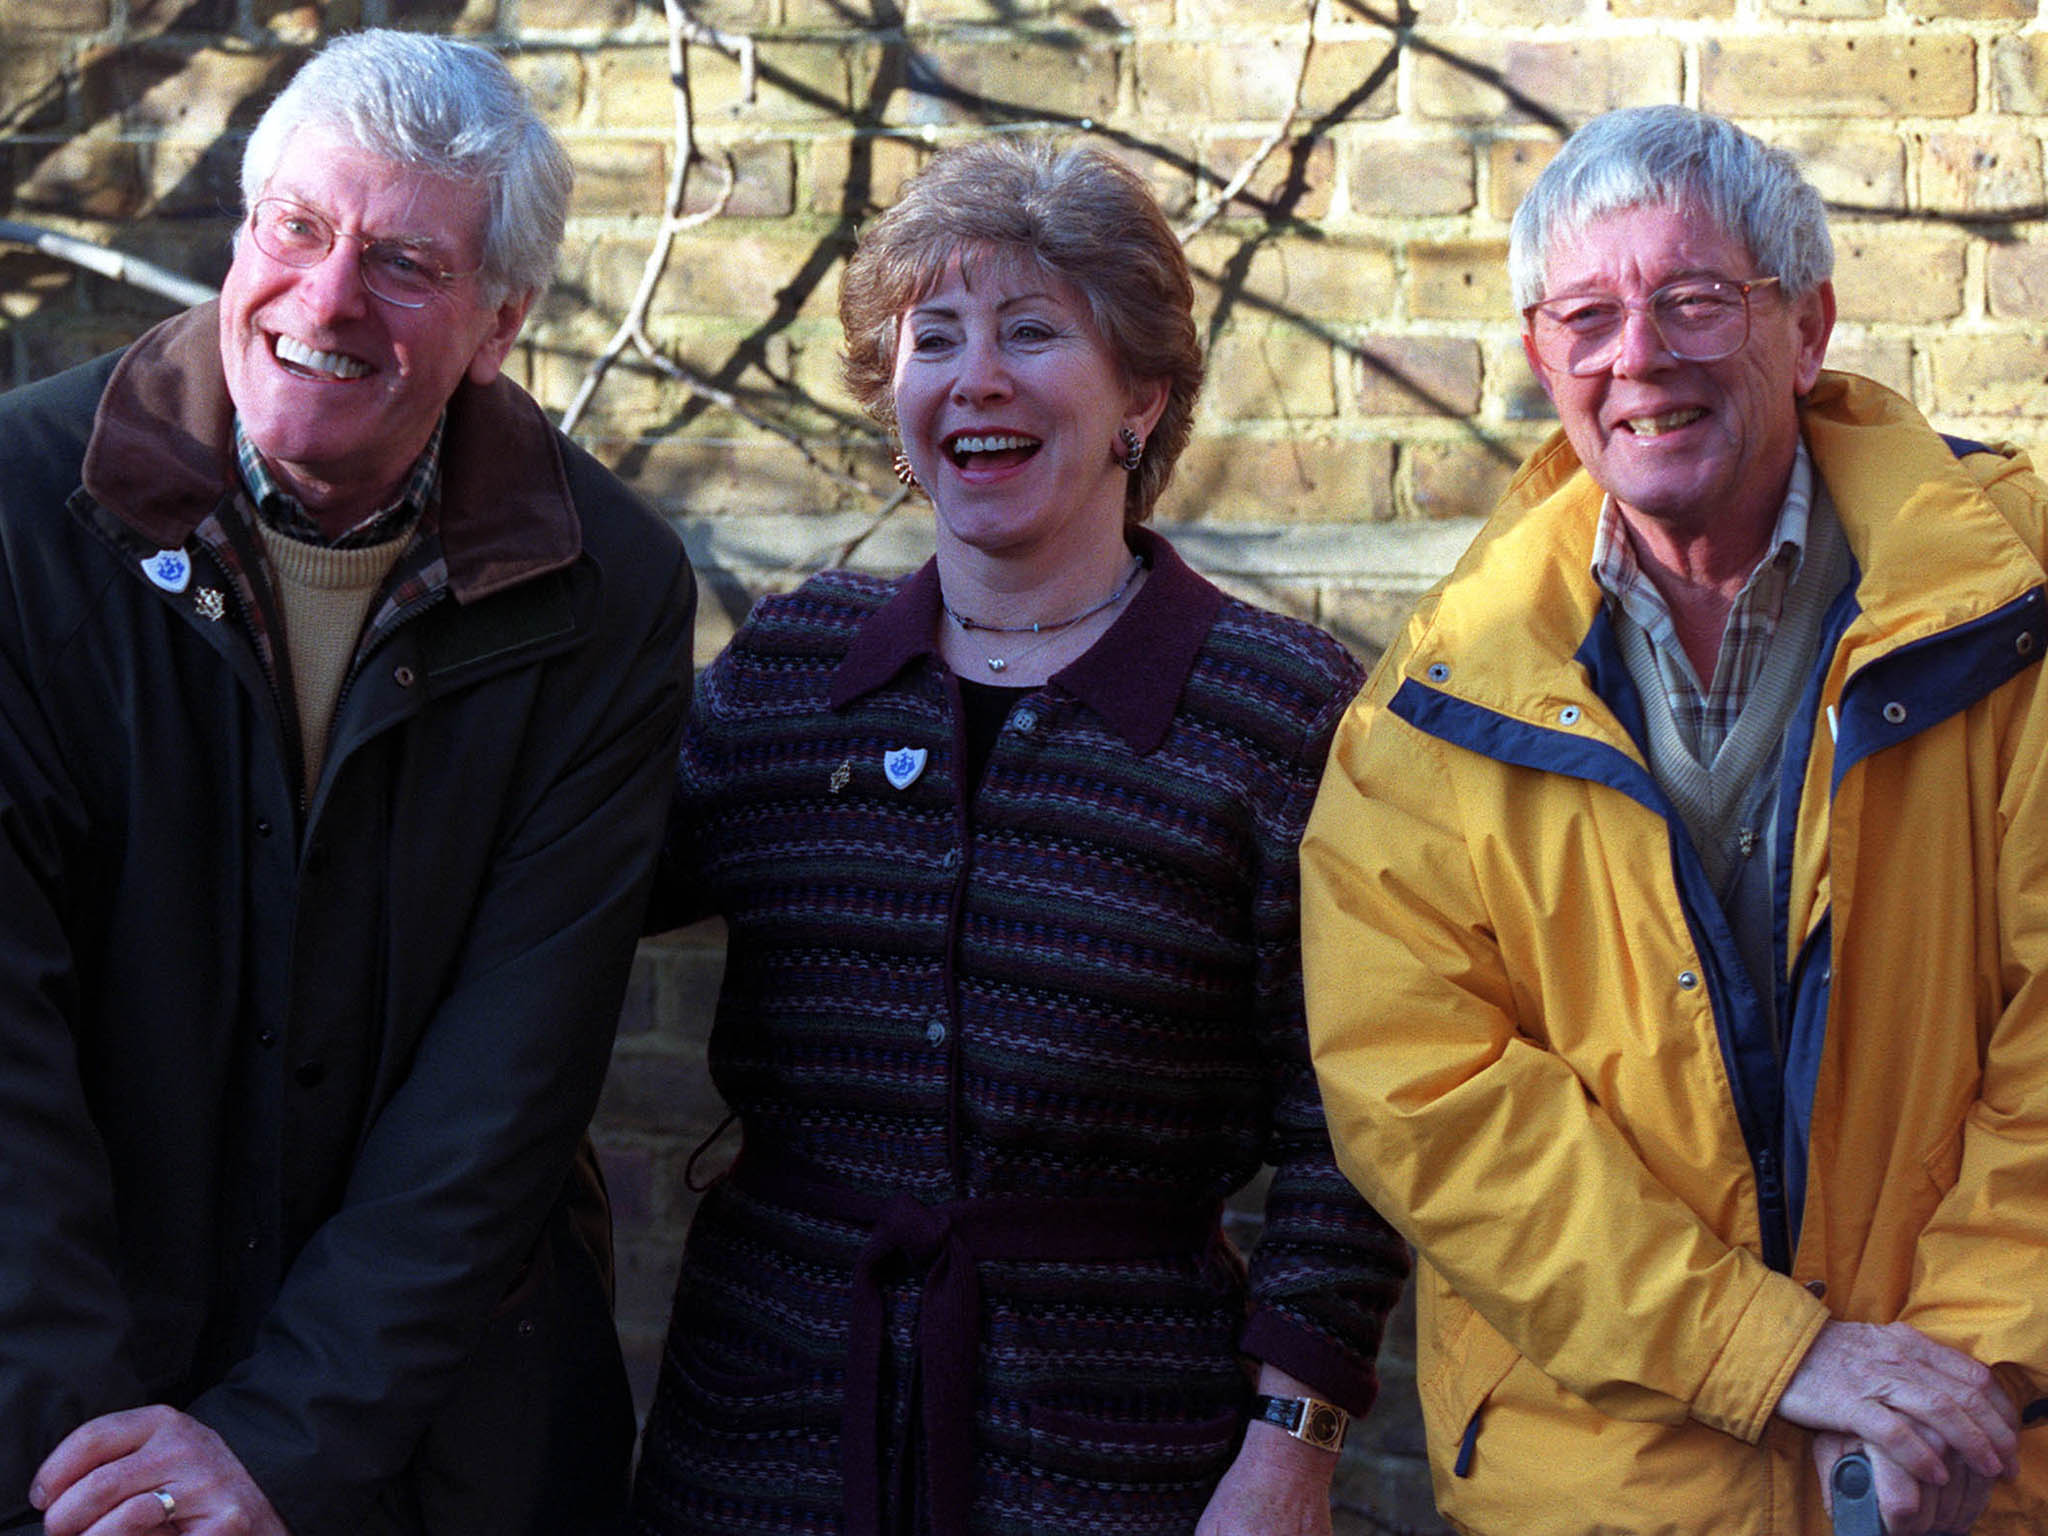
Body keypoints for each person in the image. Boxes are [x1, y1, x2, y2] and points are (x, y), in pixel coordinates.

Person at [630, 136, 1408, 1536]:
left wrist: (1292, 1442)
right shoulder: (794, 673)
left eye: (1033, 332)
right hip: (767, 1423)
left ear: (1140, 400)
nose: (975, 376)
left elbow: (1347, 1127)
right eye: (935, 339)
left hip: (1120, 1447)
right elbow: (552, 896)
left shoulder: (1275, 709)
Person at [1302, 103, 2048, 1536]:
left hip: (1973, 1472)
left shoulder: (2010, 613)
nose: (1638, 355)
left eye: (1695, 300)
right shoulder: (1434, 704)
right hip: (1609, 1489)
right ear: (1540, 361)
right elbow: (1425, 1096)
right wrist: (1776, 1358)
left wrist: (1950, 1391)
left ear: (1808, 325)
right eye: (1585, 315)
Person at [0, 29, 694, 1536]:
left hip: (443, 1443)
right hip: (53, 1422)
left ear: (499, 320)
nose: (326, 299)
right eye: (297, 230)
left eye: (402, 264)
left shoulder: (609, 586)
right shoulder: (17, 511)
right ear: (244, 234)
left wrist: (280, 1443)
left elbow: (507, 1079)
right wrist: (90, 1463)